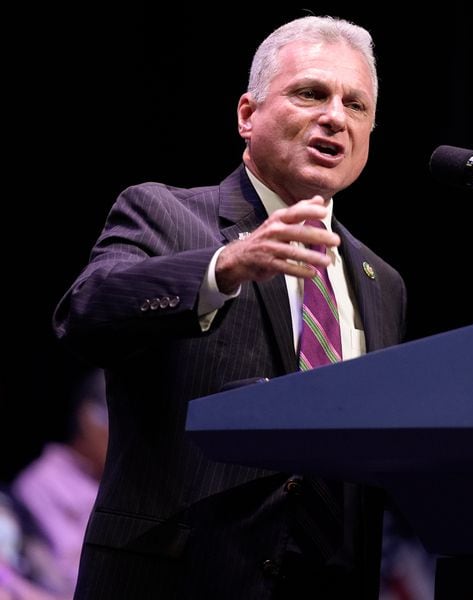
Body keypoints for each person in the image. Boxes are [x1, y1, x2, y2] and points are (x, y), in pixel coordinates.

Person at [52, 15, 406, 600]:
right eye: (311, 93)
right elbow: (85, 314)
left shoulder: (382, 281)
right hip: (176, 580)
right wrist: (226, 266)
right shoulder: (164, 214)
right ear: (247, 114)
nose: (335, 117)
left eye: (357, 105)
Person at [10, 369, 108, 598]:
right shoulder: (42, 483)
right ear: (89, 420)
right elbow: (69, 576)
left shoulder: (120, 482)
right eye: (121, 423)